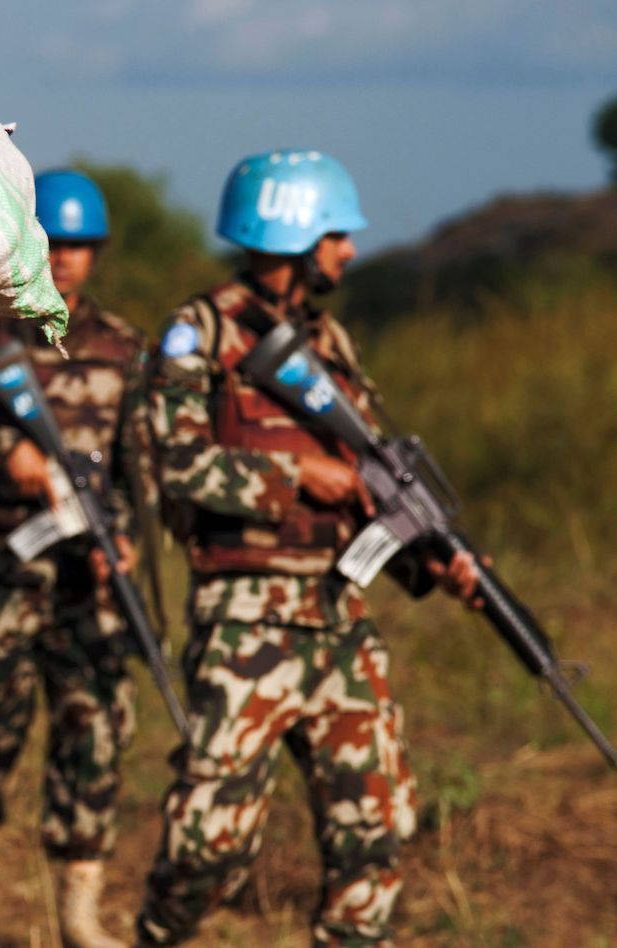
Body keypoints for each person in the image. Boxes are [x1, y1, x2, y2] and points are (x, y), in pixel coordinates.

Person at [135, 150, 481, 946]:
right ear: (292, 233)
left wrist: (439, 558)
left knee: (378, 832)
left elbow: (371, 485)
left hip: (338, 615)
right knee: (209, 848)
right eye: (336, 234)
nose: (349, 251)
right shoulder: (201, 335)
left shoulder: (331, 343)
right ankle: (155, 933)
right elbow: (174, 466)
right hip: (243, 622)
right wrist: (295, 474)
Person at [0, 169, 151, 948]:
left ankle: (79, 916)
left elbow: (135, 466)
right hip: (1, 572)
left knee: (95, 733)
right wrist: (1, 449)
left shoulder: (122, 345)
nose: (70, 260)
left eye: (84, 246)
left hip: (91, 577)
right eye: (58, 243)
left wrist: (126, 539)